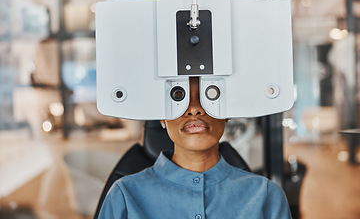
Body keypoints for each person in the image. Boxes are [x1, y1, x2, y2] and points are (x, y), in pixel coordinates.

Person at [98, 77, 292, 219]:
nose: (194, 108)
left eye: (210, 95)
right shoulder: (124, 196)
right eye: (178, 96)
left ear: (227, 112)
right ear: (162, 117)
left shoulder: (266, 195)